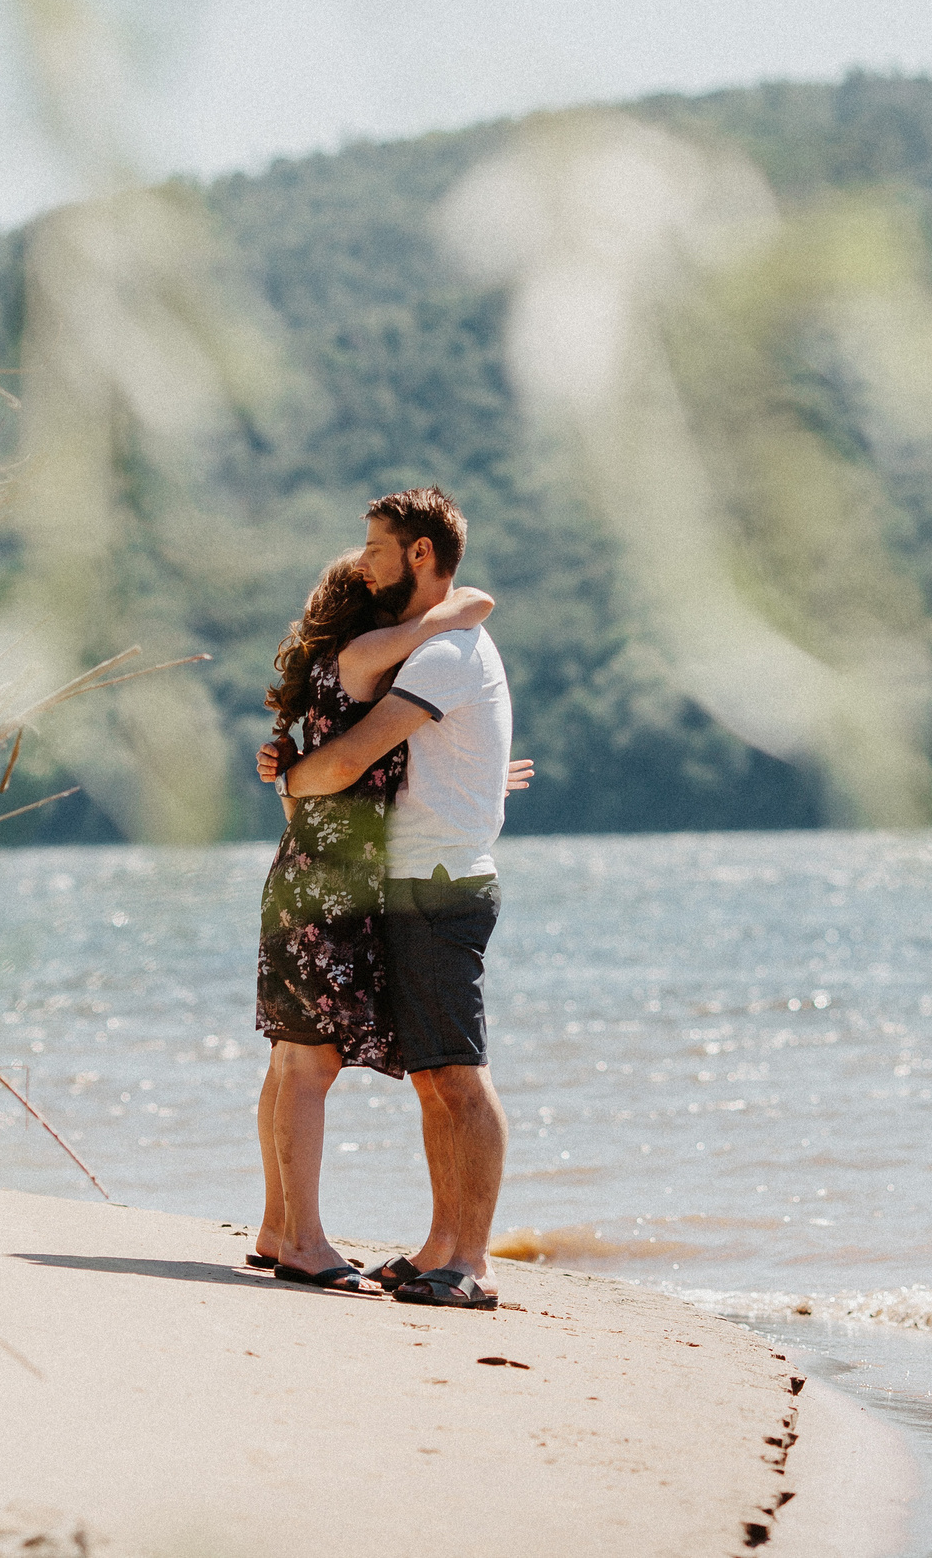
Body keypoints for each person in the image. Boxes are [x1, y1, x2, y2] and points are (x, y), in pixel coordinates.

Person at [270, 487, 515, 1311]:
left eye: (377, 544)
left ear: (418, 553)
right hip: (405, 881)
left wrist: (293, 779)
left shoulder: (444, 652)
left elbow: (350, 761)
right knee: (434, 1079)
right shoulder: (426, 647)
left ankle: (470, 1260)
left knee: (459, 1076)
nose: (365, 558)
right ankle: (440, 1246)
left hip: (440, 885)